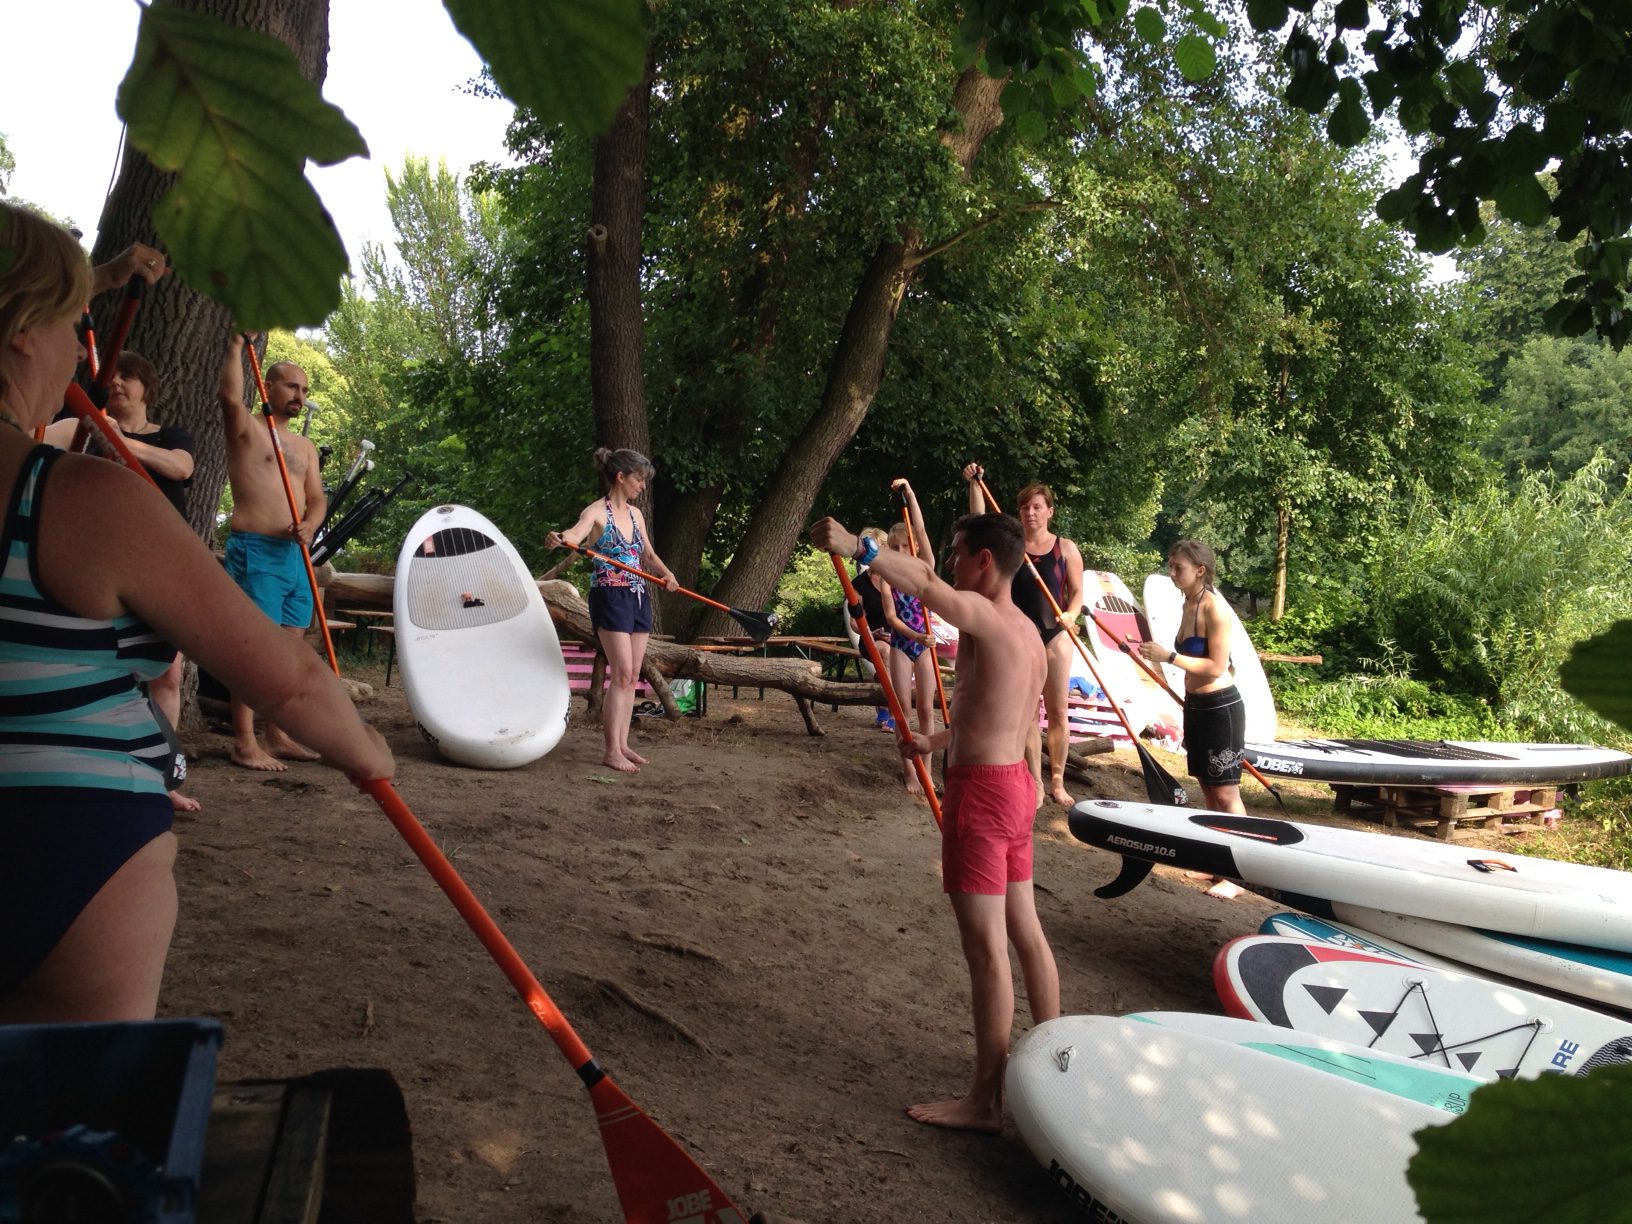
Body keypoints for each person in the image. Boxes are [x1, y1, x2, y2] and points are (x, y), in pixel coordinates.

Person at [0, 202, 393, 1023]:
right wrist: (367, 752)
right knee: (78, 1095)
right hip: (67, 849)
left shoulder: (289, 450)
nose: (83, 349)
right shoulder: (80, 497)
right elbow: (286, 677)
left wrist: (107, 276)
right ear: (23, 335)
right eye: (75, 323)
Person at [811, 509, 1061, 1134]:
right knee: (1026, 932)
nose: (948, 562)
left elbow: (924, 584)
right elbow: (1003, 715)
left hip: (982, 795)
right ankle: (1060, 1065)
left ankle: (986, 1102)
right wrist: (935, 742)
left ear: (984, 561)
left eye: (956, 553)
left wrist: (858, 546)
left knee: (987, 952)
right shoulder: (1029, 634)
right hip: (1012, 787)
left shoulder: (985, 615)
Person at [46, 349, 200, 812]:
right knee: (96, 665)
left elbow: (181, 468)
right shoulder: (83, 428)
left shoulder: (171, 435)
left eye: (127, 376)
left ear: (146, 387)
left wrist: (117, 437)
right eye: (110, 375)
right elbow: (32, 439)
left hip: (162, 562)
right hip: (97, 563)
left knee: (167, 672)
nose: (116, 382)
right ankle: (94, 767)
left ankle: (162, 777)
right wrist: (92, 425)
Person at [217, 333, 326, 770]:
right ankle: (244, 742)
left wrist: (311, 525)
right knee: (256, 651)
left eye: (304, 389)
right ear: (269, 386)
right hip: (256, 551)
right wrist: (234, 347)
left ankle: (276, 735)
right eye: (291, 386)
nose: (299, 395)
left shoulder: (305, 447)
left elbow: (316, 499)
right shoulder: (247, 430)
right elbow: (228, 397)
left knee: (287, 653)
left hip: (296, 558)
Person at [546, 448, 680, 772]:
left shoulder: (636, 515)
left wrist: (667, 574)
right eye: (639, 479)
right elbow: (575, 534)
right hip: (609, 596)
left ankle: (623, 744)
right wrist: (560, 538)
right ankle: (610, 751)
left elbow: (648, 554)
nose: (642, 486)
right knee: (620, 673)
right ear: (621, 477)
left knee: (632, 675)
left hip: (638, 596)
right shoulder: (596, 512)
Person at [964, 463, 1084, 808]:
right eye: (1024, 507)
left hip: (1055, 634)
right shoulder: (1012, 546)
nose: (1030, 513)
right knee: (1028, 711)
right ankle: (1035, 781)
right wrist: (975, 484)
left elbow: (1077, 592)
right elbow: (979, 521)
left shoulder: (1066, 548)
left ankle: (1058, 780)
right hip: (1019, 635)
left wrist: (1071, 614)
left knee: (1058, 710)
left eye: (1036, 507)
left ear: (1049, 511)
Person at [1137, 539, 1246, 816]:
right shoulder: (1188, 603)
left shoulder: (1214, 608)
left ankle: (1243, 840)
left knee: (1226, 792)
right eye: (1170, 566)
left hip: (1220, 707)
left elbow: (1217, 667)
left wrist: (1169, 656)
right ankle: (1217, 839)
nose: (1172, 573)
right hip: (1196, 704)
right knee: (1207, 786)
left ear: (1200, 570)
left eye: (1179, 568)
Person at [874, 483, 938, 793]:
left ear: (913, 548)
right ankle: (909, 771)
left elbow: (921, 530)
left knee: (926, 709)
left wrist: (911, 494)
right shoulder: (888, 578)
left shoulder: (925, 569)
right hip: (903, 643)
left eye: (905, 546)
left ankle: (927, 769)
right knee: (904, 710)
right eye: (895, 548)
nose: (900, 552)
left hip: (925, 647)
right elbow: (891, 618)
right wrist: (916, 636)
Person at [845, 526, 895, 731]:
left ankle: (882, 699)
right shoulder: (859, 584)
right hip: (872, 638)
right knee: (885, 651)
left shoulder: (897, 578)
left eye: (880, 549)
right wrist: (870, 633)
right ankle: (893, 711)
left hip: (899, 635)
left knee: (892, 656)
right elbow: (855, 622)